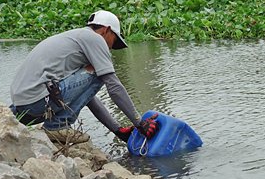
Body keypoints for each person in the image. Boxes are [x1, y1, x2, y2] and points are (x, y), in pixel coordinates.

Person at [9, 10, 158, 144]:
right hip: (39, 101)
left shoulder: (76, 37)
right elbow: (114, 86)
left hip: (25, 107)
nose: (111, 48)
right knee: (99, 73)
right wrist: (139, 122)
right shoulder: (95, 38)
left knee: (95, 73)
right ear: (107, 30)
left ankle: (45, 124)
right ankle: (57, 126)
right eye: (114, 41)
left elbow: (87, 97)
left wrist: (117, 130)